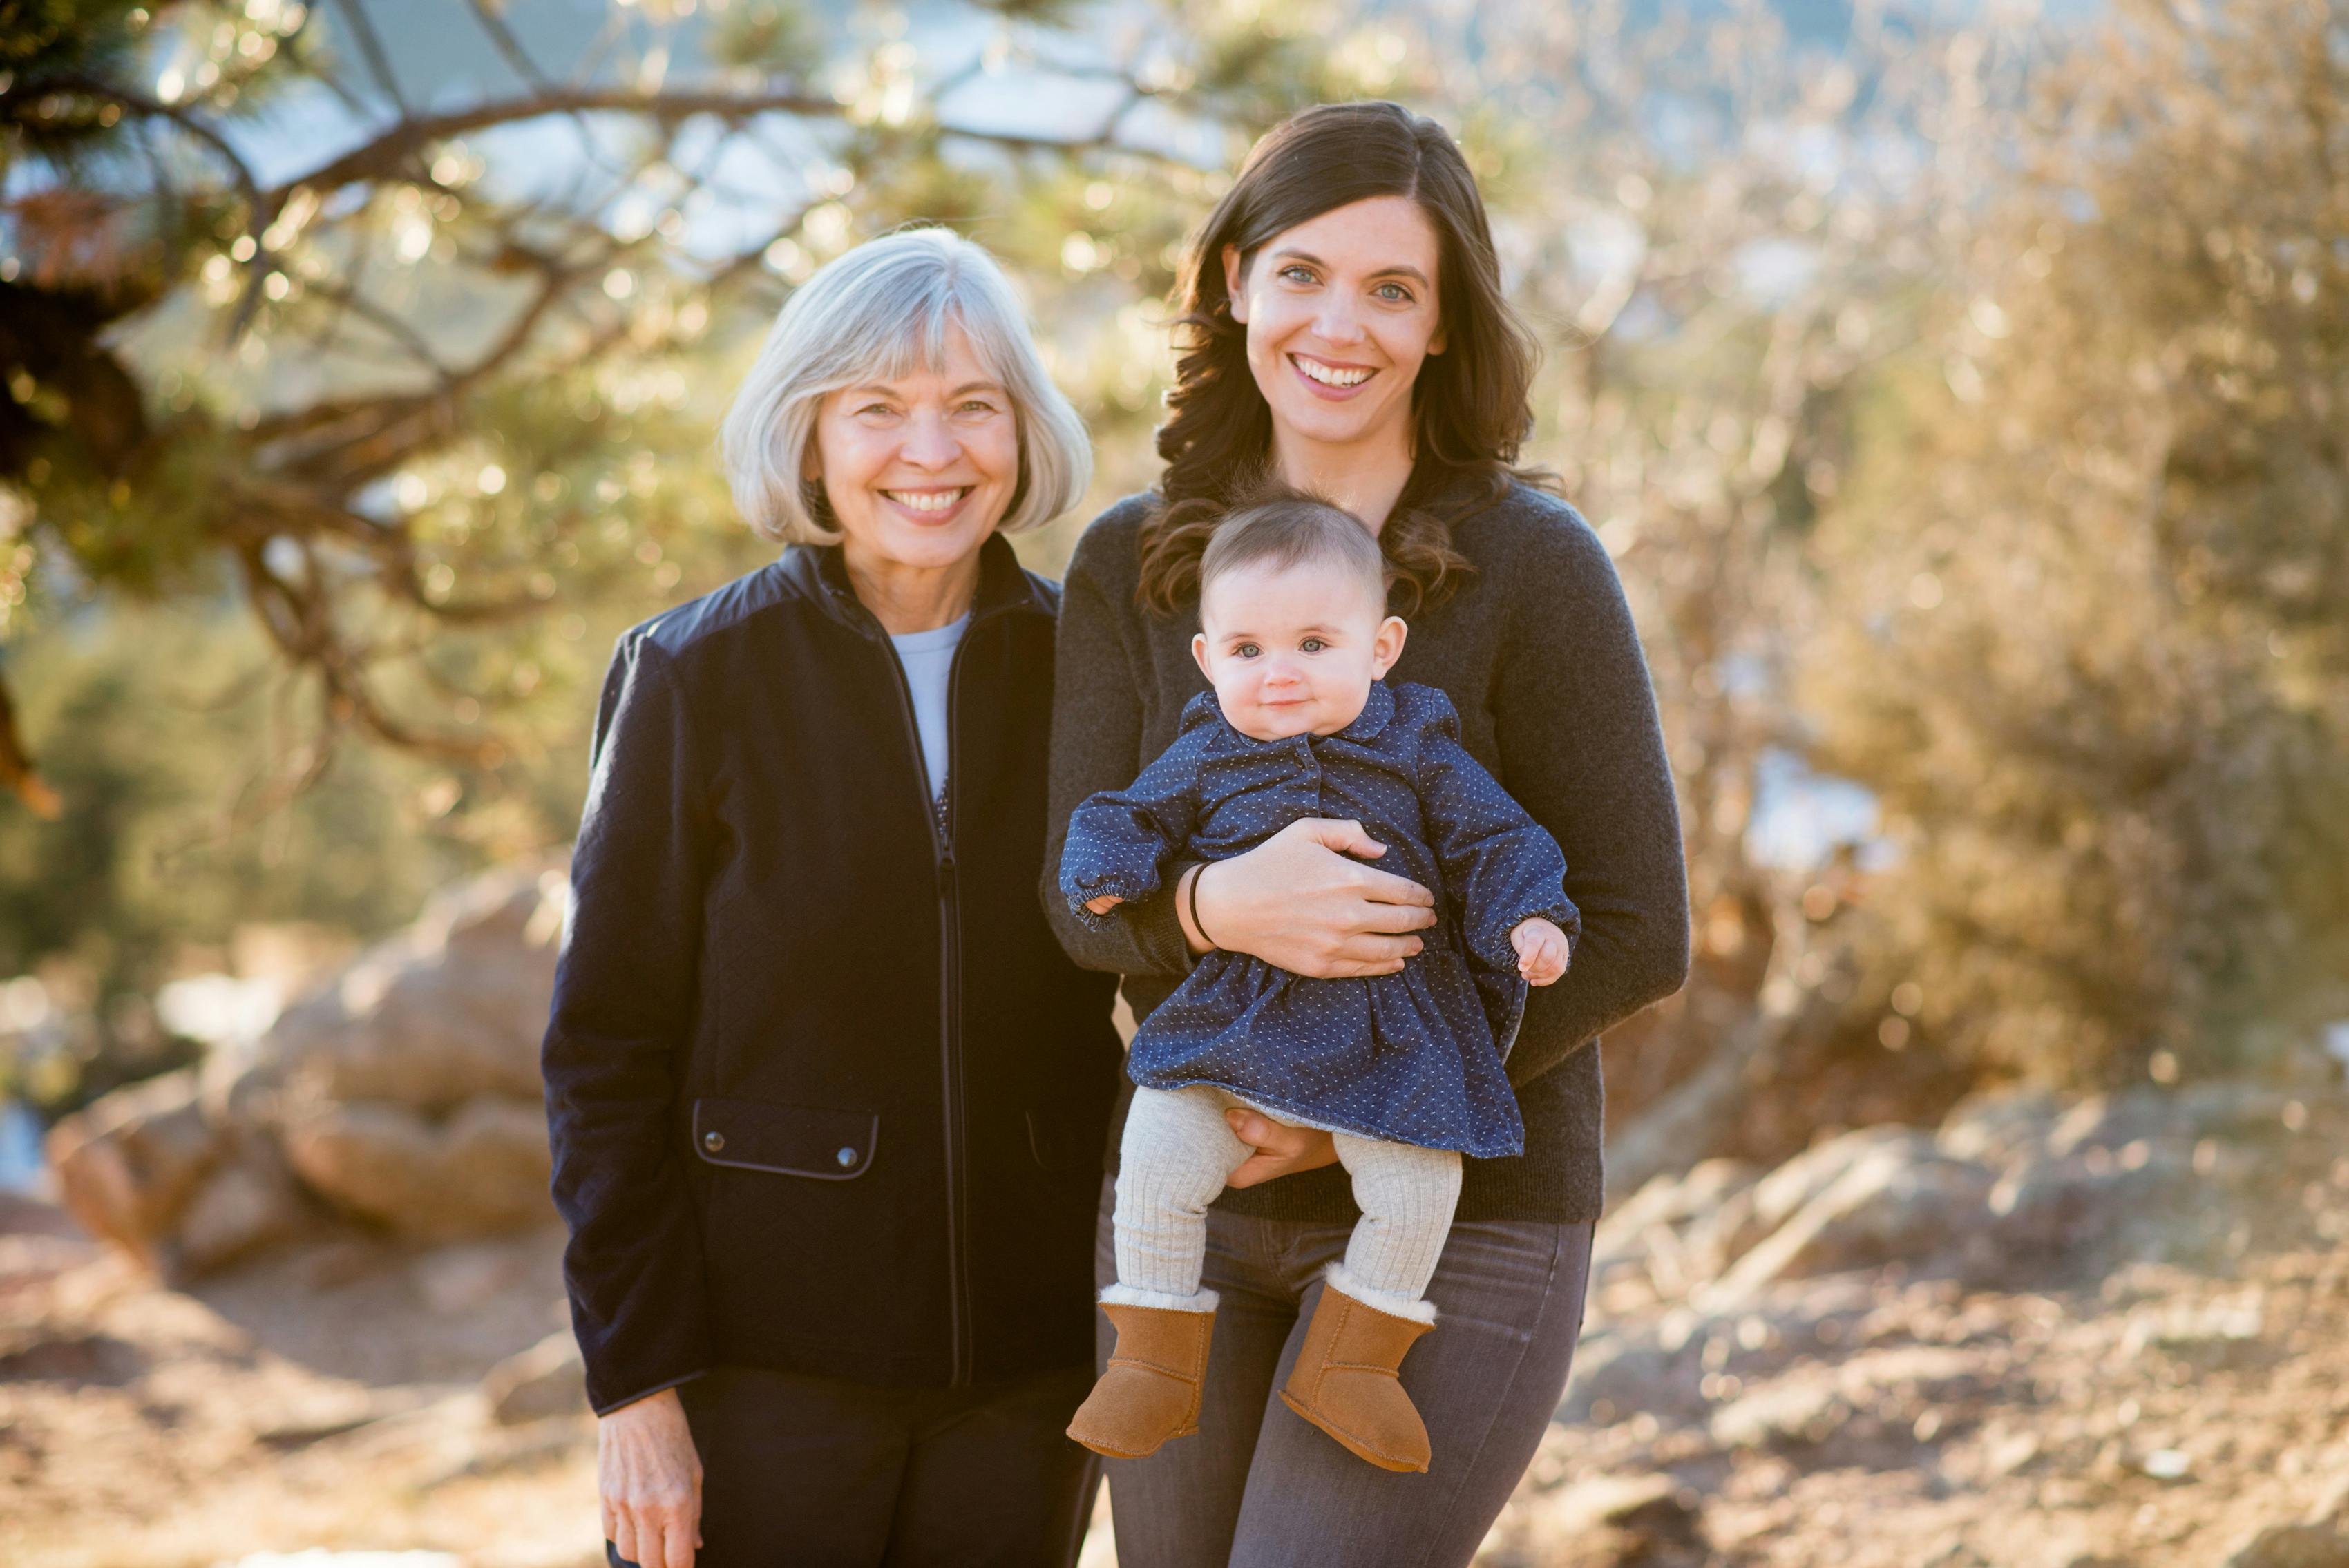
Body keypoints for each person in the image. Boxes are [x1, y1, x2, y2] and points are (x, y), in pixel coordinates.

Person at [1042, 101, 1692, 1567]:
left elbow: (1639, 923)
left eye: (1392, 289)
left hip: (1462, 1218)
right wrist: (1210, 909)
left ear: (1445, 323)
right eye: (1303, 274)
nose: (1341, 324)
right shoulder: (1128, 565)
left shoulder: (1536, 567)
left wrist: (1361, 1089)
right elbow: (1074, 899)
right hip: (1188, 1208)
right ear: (1233, 284)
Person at [542, 227, 1121, 1568]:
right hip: (760, 1370)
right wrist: (634, 1389)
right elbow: (602, 1051)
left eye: (973, 405)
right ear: (807, 436)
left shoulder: (1087, 672)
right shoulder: (692, 674)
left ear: (1022, 432)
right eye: (878, 409)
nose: (932, 452)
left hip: (1033, 1367)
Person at [1056, 490, 1579, 1476]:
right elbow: (1122, 813)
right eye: (1248, 651)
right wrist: (1107, 871)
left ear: (1380, 649)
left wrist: (1531, 916)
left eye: (1312, 645)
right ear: (1208, 660)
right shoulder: (1207, 748)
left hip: (1390, 1035)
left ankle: (1355, 1359)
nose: (1280, 675)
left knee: (1421, 1180)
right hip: (1234, 1026)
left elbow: (1495, 836)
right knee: (1158, 1151)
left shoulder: (1420, 744)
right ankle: (1154, 1358)